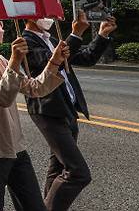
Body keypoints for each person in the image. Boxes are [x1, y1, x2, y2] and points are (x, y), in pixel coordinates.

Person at [0, 18, 70, 211]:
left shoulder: (0, 59)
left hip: (14, 145)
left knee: (34, 205)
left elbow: (35, 88)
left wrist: (54, 61)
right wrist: (15, 60)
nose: (0, 27)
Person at [23, 11, 117, 211]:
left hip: (67, 109)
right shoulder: (25, 42)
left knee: (58, 167)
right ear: (28, 16)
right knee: (78, 172)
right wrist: (75, 35)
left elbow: (86, 57)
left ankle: (45, 205)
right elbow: (49, 62)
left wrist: (102, 35)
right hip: (47, 110)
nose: (49, 17)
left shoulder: (53, 39)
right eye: (43, 13)